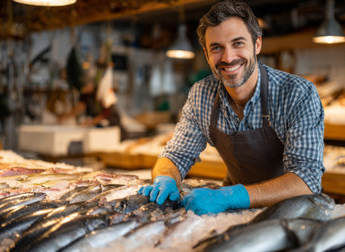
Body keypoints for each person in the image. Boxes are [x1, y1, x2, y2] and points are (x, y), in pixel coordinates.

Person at [139, 0, 325, 215]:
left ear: (257, 44)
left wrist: (232, 196)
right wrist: (165, 177)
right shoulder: (202, 94)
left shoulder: (297, 93)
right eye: (216, 48)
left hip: (294, 212)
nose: (228, 58)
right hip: (234, 212)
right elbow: (176, 155)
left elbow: (306, 180)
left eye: (238, 43)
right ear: (207, 55)